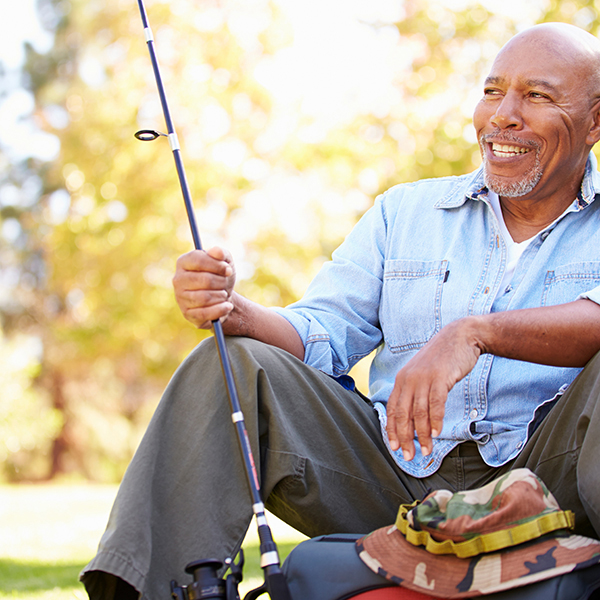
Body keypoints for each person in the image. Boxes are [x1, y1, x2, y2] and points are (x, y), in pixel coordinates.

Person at [81, 22, 600, 600]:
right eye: (491, 91)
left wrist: (475, 333)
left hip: (551, 478)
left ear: (596, 121)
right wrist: (239, 311)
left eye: (538, 95)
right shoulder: (403, 212)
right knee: (233, 359)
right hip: (394, 480)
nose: (502, 114)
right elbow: (321, 332)